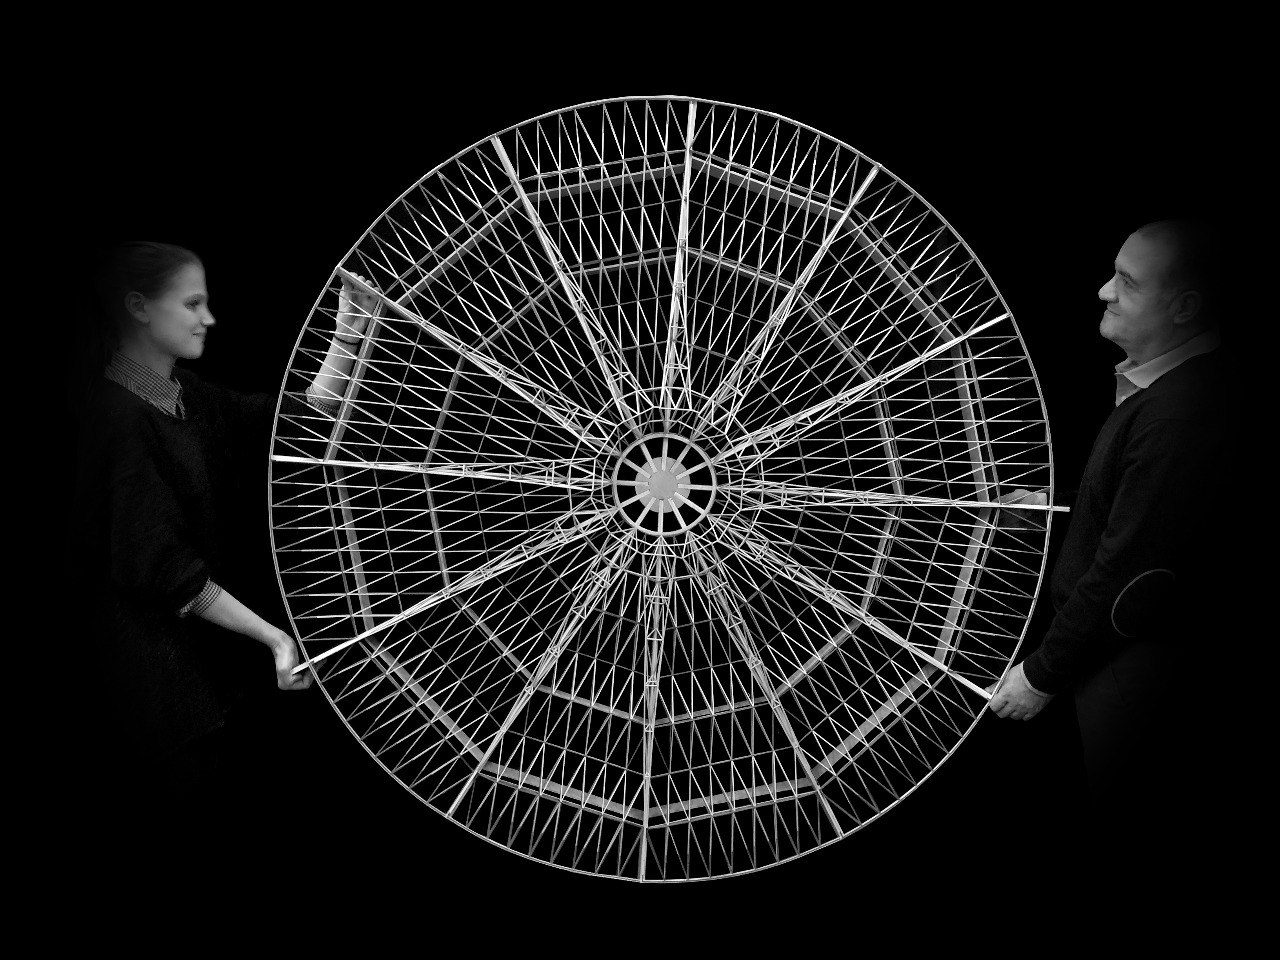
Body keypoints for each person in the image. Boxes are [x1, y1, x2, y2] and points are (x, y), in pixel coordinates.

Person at [72, 241, 381, 838]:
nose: (209, 318)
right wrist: (275, 639)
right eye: (192, 304)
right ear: (138, 306)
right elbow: (160, 569)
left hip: (206, 696)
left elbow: (302, 418)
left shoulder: (183, 396)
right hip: (156, 713)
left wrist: (351, 323)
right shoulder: (117, 418)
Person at [987, 219, 1229, 850]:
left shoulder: (1182, 417)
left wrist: (1041, 674)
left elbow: (1133, 570)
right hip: (1114, 664)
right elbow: (1140, 512)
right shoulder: (1166, 391)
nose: (1103, 291)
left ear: (1184, 307)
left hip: (1133, 672)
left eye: (1128, 281)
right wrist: (1056, 511)